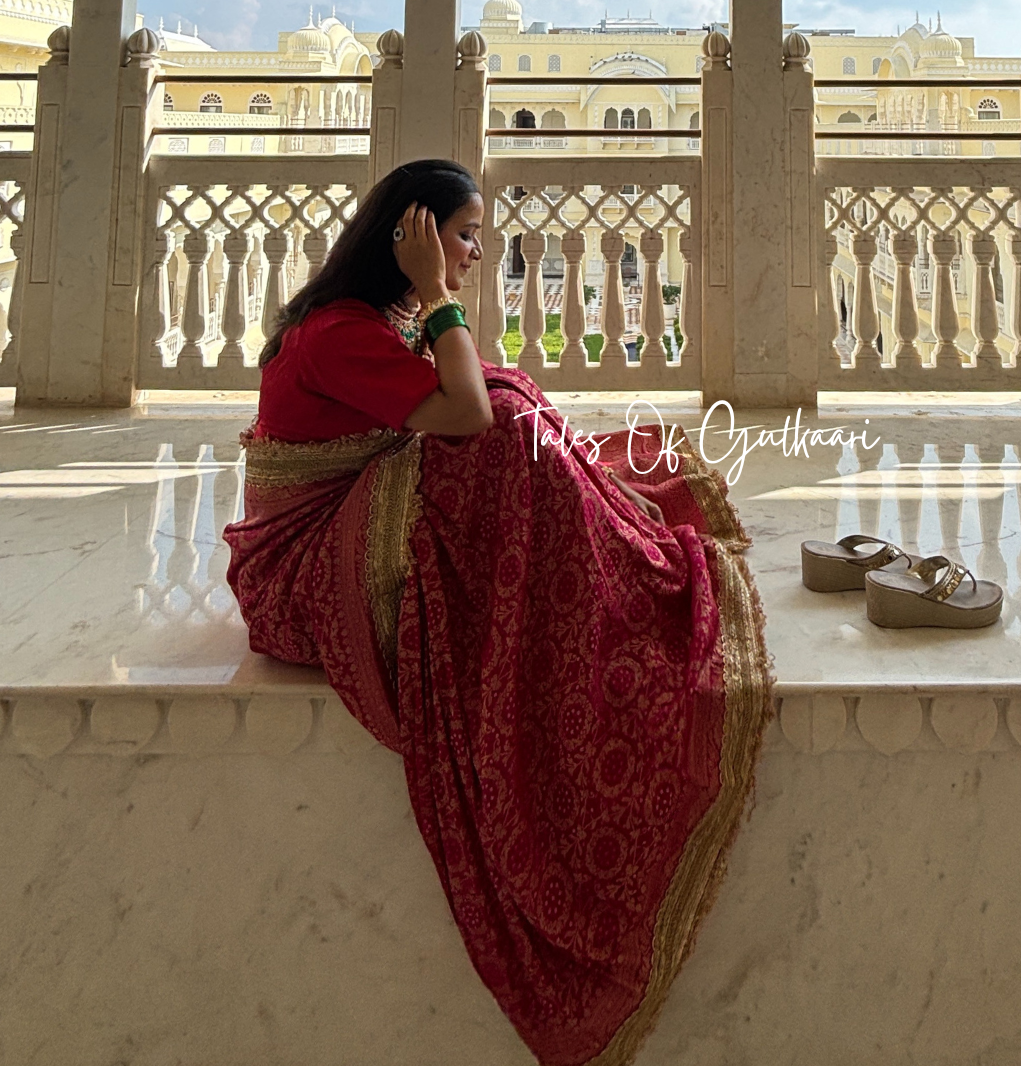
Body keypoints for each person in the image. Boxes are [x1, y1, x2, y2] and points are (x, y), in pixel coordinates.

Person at [224, 158, 769, 1066]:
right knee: (500, 425)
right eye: (465, 236)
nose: (477, 254)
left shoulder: (370, 321)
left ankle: (593, 565)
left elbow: (464, 397)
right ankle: (594, 574)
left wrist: (436, 303)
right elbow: (467, 414)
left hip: (340, 522)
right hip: (301, 575)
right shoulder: (339, 334)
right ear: (415, 235)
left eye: (475, 239)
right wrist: (439, 294)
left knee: (506, 405)